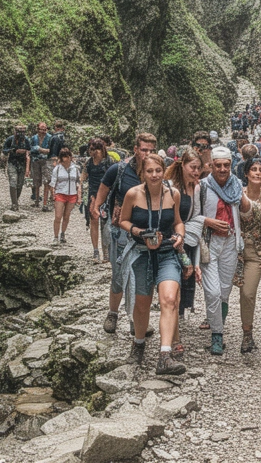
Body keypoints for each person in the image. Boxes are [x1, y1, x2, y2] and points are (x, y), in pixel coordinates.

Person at [116, 153, 188, 375]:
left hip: (167, 252)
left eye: (158, 170)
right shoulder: (133, 194)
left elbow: (178, 222)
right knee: (142, 303)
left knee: (168, 299)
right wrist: (139, 232)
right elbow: (123, 221)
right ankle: (138, 343)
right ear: (142, 173)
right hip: (141, 253)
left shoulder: (173, 194)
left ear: (163, 170)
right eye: (149, 171)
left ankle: (164, 356)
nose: (154, 175)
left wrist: (180, 236)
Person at [89, 132, 159, 335]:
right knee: (120, 276)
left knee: (141, 278)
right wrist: (97, 208)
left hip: (146, 233)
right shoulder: (118, 169)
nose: (147, 154)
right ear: (136, 149)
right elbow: (103, 190)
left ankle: (135, 320)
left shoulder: (156, 171)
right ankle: (113, 313)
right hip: (120, 232)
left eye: (151, 150)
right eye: (144, 149)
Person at [196, 145, 248, 354]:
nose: (223, 169)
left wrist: (244, 193)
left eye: (227, 165)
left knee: (225, 290)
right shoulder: (202, 187)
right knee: (213, 291)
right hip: (210, 243)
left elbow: (246, 211)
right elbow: (191, 215)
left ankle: (219, 326)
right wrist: (209, 222)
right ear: (211, 166)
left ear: (231, 165)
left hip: (230, 241)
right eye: (218, 166)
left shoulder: (236, 185)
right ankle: (217, 334)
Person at [167, 150, 205, 357]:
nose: (196, 172)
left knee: (183, 281)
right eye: (193, 168)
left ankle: (175, 331)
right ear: (183, 166)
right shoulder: (171, 187)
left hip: (187, 239)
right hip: (171, 240)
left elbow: (197, 218)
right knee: (173, 286)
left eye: (199, 168)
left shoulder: (196, 187)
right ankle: (174, 338)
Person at [236, 158, 261, 353]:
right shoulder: (236, 194)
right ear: (246, 173)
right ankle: (216, 330)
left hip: (255, 252)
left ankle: (247, 334)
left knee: (248, 293)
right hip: (233, 250)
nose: (258, 173)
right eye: (254, 169)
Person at [84, 138, 113, 262]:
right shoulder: (88, 163)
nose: (94, 152)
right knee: (94, 221)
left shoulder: (108, 162)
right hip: (92, 194)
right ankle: (96, 251)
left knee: (106, 224)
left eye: (96, 149)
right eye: (91, 149)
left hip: (107, 195)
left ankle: (106, 252)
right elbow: (84, 178)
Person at [50, 148, 80, 244]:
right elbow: (52, 183)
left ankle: (63, 233)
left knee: (66, 216)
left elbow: (78, 182)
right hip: (60, 193)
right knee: (58, 216)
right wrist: (52, 194)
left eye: (68, 156)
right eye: (64, 156)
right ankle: (55, 237)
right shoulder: (57, 169)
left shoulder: (75, 169)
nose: (66, 159)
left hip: (72, 194)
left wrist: (79, 195)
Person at [1, 124, 32, 208]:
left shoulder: (26, 140)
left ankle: (16, 200)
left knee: (20, 183)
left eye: (23, 132)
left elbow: (30, 150)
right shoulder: (10, 139)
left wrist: (26, 152)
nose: (21, 134)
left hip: (22, 163)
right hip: (12, 162)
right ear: (15, 132)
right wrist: (14, 150)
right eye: (19, 132)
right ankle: (14, 203)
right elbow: (4, 150)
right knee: (13, 181)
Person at [28, 122, 54, 211]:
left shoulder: (50, 138)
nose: (43, 131)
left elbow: (51, 150)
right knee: (36, 181)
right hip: (35, 161)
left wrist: (40, 149)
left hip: (46, 161)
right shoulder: (34, 138)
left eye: (45, 129)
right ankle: (36, 200)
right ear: (38, 129)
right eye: (41, 129)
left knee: (47, 181)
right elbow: (30, 148)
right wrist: (39, 149)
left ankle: (46, 203)